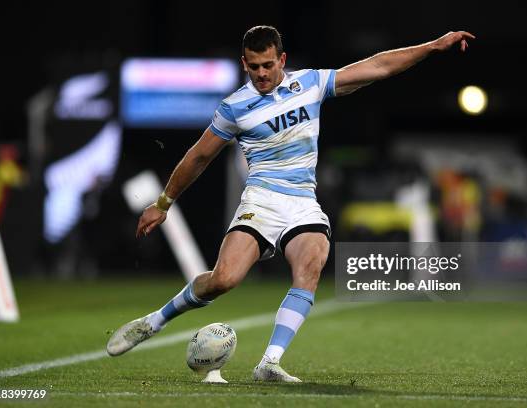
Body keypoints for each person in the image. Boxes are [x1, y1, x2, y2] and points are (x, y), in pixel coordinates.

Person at [107, 25, 475, 382]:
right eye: (254, 67)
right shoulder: (235, 107)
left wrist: (431, 47)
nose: (262, 73)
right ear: (244, 64)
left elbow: (376, 66)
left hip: (302, 201)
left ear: (282, 59)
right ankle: (152, 322)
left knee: (312, 262)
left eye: (268, 65)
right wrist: (163, 202)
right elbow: (198, 157)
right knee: (224, 280)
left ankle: (270, 362)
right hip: (261, 201)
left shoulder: (310, 84)